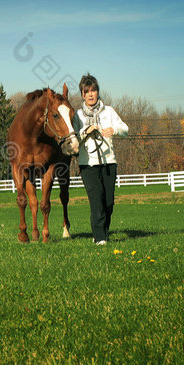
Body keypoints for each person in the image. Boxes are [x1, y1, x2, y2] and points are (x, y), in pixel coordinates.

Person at [73, 73, 128, 245]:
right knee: (96, 201)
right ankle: (100, 238)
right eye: (87, 91)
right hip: (88, 164)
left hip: (108, 161)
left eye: (93, 90)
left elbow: (125, 129)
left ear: (98, 92)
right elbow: (73, 139)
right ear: (82, 94)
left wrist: (114, 130)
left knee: (108, 203)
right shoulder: (78, 115)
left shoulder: (109, 111)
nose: (90, 94)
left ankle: (102, 232)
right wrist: (85, 132)